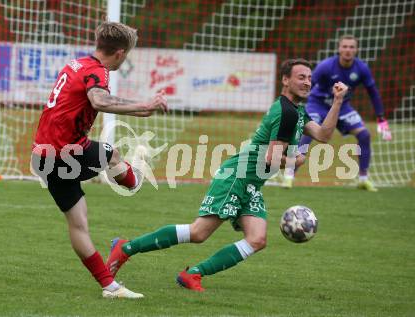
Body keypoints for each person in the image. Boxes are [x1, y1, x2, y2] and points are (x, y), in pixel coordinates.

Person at [105, 59, 348, 292]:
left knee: (257, 239)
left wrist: (337, 101)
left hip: (251, 183)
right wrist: (297, 161)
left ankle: (193, 273)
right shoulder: (287, 113)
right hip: (237, 177)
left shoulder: (298, 111)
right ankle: (125, 248)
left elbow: (324, 135)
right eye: (301, 77)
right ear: (286, 80)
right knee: (199, 232)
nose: (307, 82)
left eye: (309, 78)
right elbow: (271, 159)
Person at [31, 22, 168, 299]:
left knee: (79, 222)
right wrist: (143, 106)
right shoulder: (98, 72)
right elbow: (98, 100)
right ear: (119, 53)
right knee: (111, 155)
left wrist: (142, 110)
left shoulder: (77, 64)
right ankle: (134, 177)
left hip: (43, 156)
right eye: (126, 54)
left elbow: (96, 99)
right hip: (63, 155)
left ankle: (109, 287)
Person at [282, 35, 392, 191]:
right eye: (345, 47)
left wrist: (381, 117)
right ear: (339, 49)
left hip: (342, 106)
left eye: (351, 47)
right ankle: (289, 176)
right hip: (317, 104)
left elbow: (373, 92)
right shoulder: (326, 66)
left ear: (356, 50)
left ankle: (363, 179)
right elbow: (308, 85)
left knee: (364, 134)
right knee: (308, 132)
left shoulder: (361, 68)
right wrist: (295, 106)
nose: (348, 50)